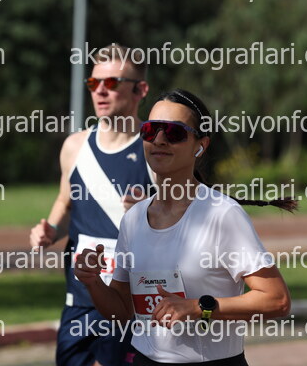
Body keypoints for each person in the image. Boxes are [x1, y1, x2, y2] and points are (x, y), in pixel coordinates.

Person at [74, 89, 293, 365]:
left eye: (174, 132)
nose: (159, 139)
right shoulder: (133, 219)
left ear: (200, 145)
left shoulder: (221, 214)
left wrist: (199, 307)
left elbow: (277, 300)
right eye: (150, 130)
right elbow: (122, 313)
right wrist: (93, 281)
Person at [30, 44, 155, 366]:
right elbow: (66, 203)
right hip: (80, 299)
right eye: (93, 83)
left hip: (129, 302)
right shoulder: (75, 146)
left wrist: (149, 209)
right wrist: (50, 230)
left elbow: (185, 219)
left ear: (140, 90)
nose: (100, 90)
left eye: (111, 83)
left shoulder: (156, 148)